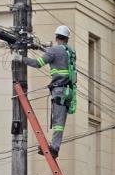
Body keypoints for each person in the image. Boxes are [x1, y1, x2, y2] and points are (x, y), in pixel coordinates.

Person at [18, 25, 76, 159]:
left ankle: (54, 148)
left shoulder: (54, 50)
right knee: (60, 121)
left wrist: (21, 59)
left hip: (60, 90)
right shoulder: (71, 52)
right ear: (67, 38)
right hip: (69, 91)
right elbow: (57, 57)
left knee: (58, 122)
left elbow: (38, 63)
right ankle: (55, 146)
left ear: (56, 37)